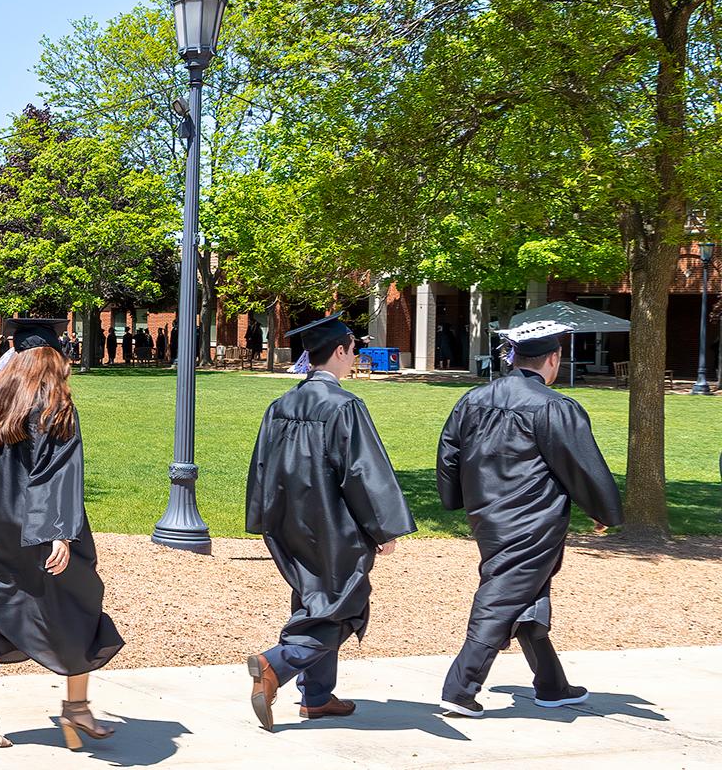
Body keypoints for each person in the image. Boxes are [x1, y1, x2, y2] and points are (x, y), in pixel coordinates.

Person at [435, 320, 624, 718]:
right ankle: (460, 688)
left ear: (514, 357)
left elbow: (449, 452)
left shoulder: (473, 399)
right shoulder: (553, 406)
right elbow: (581, 465)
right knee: (501, 598)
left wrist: (456, 500)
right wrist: (603, 511)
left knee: (528, 594)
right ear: (553, 359)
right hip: (532, 520)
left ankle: (552, 686)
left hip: (486, 516)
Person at [0, 318, 123, 750]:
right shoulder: (56, 406)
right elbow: (59, 471)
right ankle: (76, 706)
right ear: (53, 359)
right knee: (77, 603)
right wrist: (61, 533)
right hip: (40, 531)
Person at [244, 311, 416, 732]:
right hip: (334, 526)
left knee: (312, 599)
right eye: (353, 349)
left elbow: (262, 465)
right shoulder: (344, 406)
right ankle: (276, 663)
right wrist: (384, 527)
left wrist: (266, 519)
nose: (354, 356)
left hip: (289, 523)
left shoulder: (282, 404)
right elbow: (361, 471)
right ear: (339, 352)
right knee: (344, 607)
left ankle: (317, 697)